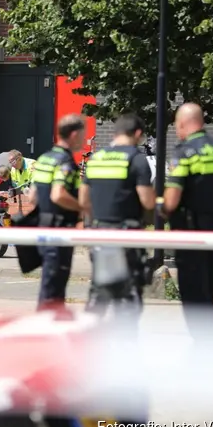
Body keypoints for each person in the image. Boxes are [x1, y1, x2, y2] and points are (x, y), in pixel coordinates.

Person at [158, 102, 213, 351]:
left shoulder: (185, 152)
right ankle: (210, 338)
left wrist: (161, 208)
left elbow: (172, 200)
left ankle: (201, 345)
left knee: (192, 289)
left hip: (190, 232)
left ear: (182, 124)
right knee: (210, 285)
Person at [78, 113, 155, 318]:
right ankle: (125, 343)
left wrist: (94, 223)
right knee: (128, 296)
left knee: (99, 291)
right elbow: (147, 201)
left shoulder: (96, 159)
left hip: (99, 233)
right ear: (138, 133)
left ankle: (92, 341)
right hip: (126, 236)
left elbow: (84, 200)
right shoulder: (137, 160)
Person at [29, 114, 86, 309]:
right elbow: (58, 194)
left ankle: (48, 323)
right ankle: (46, 327)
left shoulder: (44, 159)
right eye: (83, 135)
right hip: (60, 229)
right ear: (74, 134)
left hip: (44, 226)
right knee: (55, 285)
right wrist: (83, 207)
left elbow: (32, 196)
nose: (85, 139)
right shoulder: (65, 162)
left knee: (49, 281)